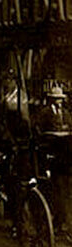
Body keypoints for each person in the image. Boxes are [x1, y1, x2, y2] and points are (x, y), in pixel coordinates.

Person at [34, 86, 72, 236]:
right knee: (58, 191)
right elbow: (39, 130)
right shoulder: (45, 113)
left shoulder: (67, 113)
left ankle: (64, 222)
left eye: (60, 99)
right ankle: (59, 221)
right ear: (51, 99)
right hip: (51, 150)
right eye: (56, 99)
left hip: (64, 152)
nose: (59, 102)